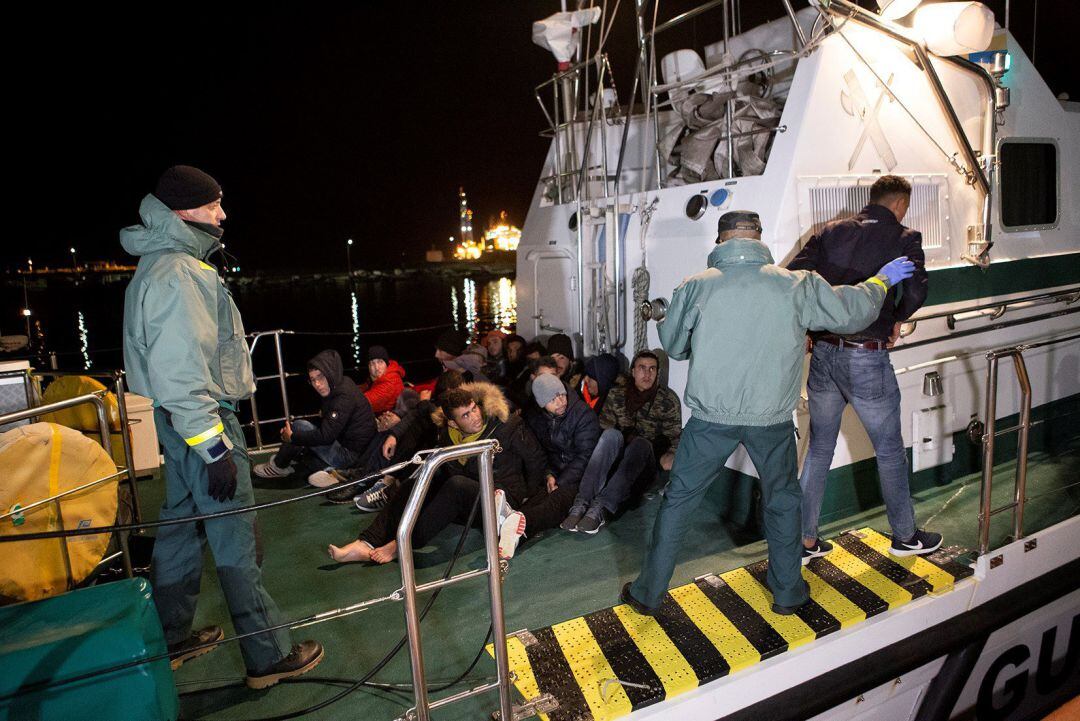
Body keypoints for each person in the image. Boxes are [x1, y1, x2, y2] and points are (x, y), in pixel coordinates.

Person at [622, 210, 912, 617]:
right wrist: (880, 283)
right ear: (758, 239)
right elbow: (850, 313)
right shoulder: (797, 284)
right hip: (772, 420)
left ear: (721, 242)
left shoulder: (695, 287)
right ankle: (789, 593)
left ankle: (647, 594)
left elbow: (674, 345)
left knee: (679, 502)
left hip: (710, 420)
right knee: (782, 501)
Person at [121, 165, 322, 688]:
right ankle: (268, 656)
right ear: (186, 211)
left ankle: (170, 637)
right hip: (203, 423)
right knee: (235, 536)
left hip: (176, 423)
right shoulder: (182, 275)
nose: (222, 213)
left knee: (181, 530)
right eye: (214, 205)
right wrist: (214, 450)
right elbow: (183, 371)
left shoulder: (159, 264)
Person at [788, 175, 940, 561]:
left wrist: (810, 325)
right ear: (901, 205)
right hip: (866, 356)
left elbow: (795, 280)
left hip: (823, 354)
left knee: (819, 447)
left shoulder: (830, 231)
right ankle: (905, 537)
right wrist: (897, 317)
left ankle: (805, 540)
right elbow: (918, 290)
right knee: (889, 450)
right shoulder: (905, 237)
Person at [327, 382, 545, 564]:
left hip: (500, 499)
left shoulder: (506, 426)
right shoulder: (447, 434)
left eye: (474, 409)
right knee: (419, 482)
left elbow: (535, 460)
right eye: (466, 415)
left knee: (456, 485)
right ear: (453, 422)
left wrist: (527, 497)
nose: (475, 416)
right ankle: (366, 542)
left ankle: (401, 545)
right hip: (466, 499)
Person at [563, 351, 682, 534]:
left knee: (641, 444)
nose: (647, 374)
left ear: (657, 373)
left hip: (645, 463)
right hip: (618, 459)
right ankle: (582, 501)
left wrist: (669, 456)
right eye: (642, 368)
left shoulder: (667, 400)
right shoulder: (616, 395)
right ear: (633, 371)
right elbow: (604, 428)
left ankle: (601, 508)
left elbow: (675, 437)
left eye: (652, 369)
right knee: (611, 435)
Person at [324, 369, 468, 506]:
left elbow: (439, 424)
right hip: (421, 449)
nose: (450, 401)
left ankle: (377, 483)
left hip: (447, 461)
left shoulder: (468, 406)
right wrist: (393, 435)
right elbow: (414, 414)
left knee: (416, 428)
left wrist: (423, 404)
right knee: (392, 432)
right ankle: (365, 476)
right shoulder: (437, 401)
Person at [506, 373, 601, 555]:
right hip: (556, 474)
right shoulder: (539, 418)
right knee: (537, 498)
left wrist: (560, 482)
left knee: (555, 503)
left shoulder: (582, 414)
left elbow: (585, 456)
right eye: (552, 399)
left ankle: (520, 529)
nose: (560, 401)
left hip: (581, 477)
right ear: (542, 403)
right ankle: (509, 522)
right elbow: (544, 451)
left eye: (562, 394)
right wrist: (549, 474)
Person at [253, 349, 376, 486]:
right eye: (313, 380)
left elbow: (326, 436)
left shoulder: (343, 397)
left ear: (331, 372)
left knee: (299, 426)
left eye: (321, 377)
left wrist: (292, 437)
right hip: (352, 450)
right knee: (306, 457)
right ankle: (333, 472)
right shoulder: (341, 383)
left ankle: (278, 466)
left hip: (350, 456)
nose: (317, 384)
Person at [361, 345, 405, 416]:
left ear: (386, 364)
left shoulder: (391, 381)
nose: (376, 367)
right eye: (372, 363)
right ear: (369, 367)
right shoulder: (378, 379)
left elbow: (362, 403)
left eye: (380, 362)